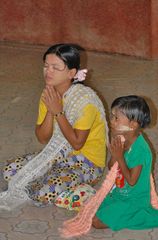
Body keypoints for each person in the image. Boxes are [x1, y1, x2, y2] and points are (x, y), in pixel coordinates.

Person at [0, 43, 108, 210]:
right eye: (46, 66)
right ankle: (57, 181)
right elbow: (43, 138)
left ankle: (81, 190)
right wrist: (51, 110)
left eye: (55, 67)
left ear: (71, 73)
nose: (48, 71)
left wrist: (58, 112)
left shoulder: (85, 102)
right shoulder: (49, 95)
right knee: (10, 170)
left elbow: (77, 144)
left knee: (43, 192)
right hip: (58, 155)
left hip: (87, 163)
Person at [61, 95, 158, 238]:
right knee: (89, 210)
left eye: (116, 118)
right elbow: (111, 166)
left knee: (97, 222)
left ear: (133, 125)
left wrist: (120, 157)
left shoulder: (141, 150)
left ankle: (142, 215)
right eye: (112, 116)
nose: (111, 121)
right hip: (119, 194)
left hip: (134, 200)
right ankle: (123, 213)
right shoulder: (122, 139)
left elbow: (131, 180)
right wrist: (115, 154)